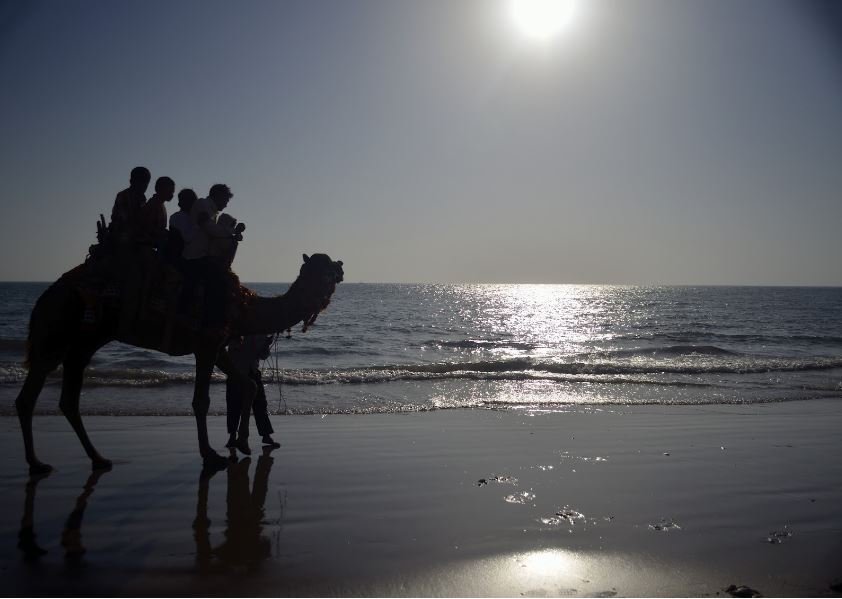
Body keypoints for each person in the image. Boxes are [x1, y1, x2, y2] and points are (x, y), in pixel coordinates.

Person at [225, 335, 280, 449]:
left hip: (253, 372)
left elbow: (263, 356)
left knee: (260, 405)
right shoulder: (236, 331)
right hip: (236, 373)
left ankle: (266, 435)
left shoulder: (258, 335)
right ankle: (232, 438)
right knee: (234, 406)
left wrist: (266, 344)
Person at [110, 166, 151, 245]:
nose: (144, 186)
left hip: (137, 235)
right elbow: (126, 220)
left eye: (146, 183)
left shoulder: (142, 198)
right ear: (132, 181)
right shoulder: (123, 196)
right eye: (140, 182)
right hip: (122, 237)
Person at [139, 176, 175, 248]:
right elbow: (147, 227)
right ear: (160, 189)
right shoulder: (153, 204)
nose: (172, 194)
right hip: (146, 245)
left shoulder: (160, 205)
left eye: (172, 191)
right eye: (170, 191)